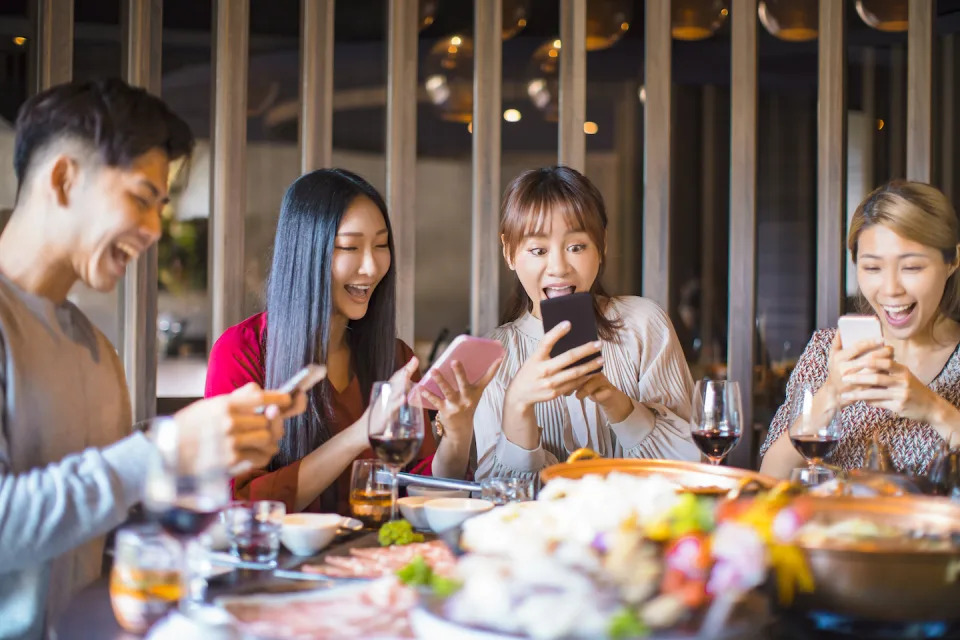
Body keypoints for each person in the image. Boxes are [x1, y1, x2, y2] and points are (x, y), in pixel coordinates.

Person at [0, 78, 304, 640]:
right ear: (64, 178)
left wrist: (213, 443)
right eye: (142, 198)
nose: (154, 231)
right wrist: (164, 447)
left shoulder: (93, 347)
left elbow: (108, 491)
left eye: (161, 207)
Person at [205, 169, 498, 514]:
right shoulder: (241, 351)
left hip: (376, 559)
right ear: (306, 253)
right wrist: (362, 433)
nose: (372, 267)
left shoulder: (392, 357)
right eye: (350, 247)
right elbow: (236, 505)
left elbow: (426, 497)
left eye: (381, 244)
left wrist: (459, 432)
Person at [473, 166, 699, 481]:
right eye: (538, 250)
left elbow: (692, 467)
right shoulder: (492, 357)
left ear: (601, 244)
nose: (559, 267)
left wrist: (617, 403)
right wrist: (517, 405)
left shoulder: (643, 324)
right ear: (509, 252)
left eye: (576, 247)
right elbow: (495, 499)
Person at [760, 180, 960, 479]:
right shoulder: (826, 351)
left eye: (912, 267)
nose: (890, 290)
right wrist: (830, 395)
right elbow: (768, 479)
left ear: (952, 261)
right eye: (872, 268)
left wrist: (935, 410)